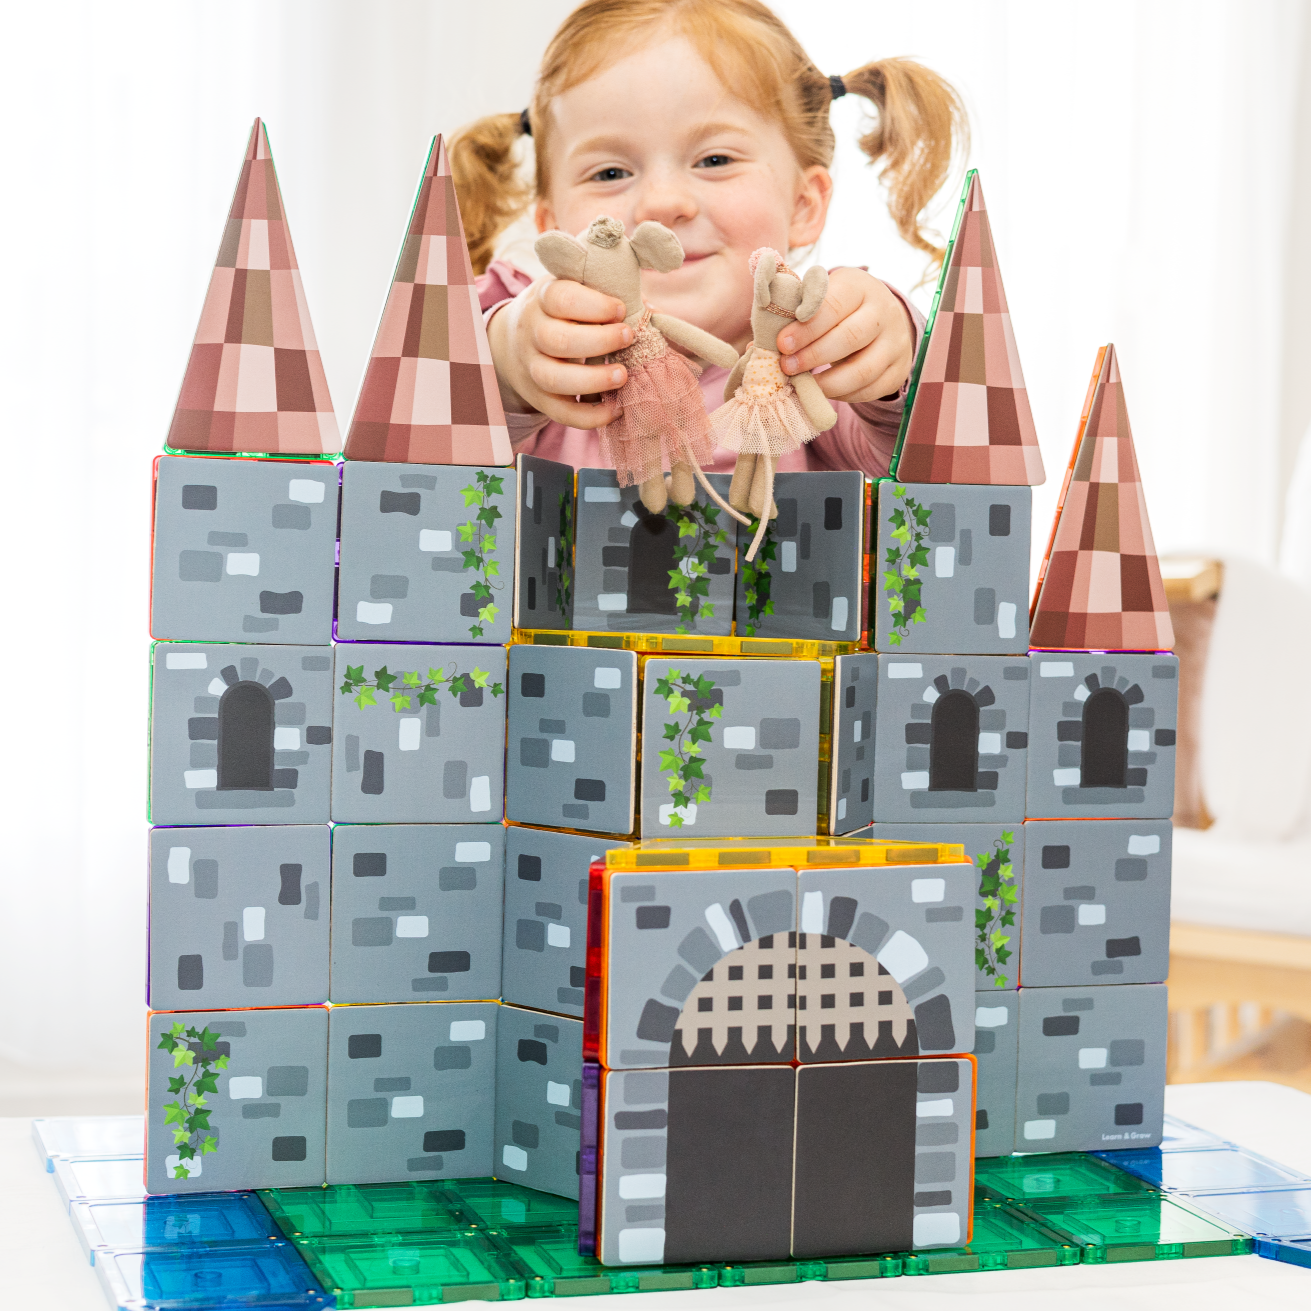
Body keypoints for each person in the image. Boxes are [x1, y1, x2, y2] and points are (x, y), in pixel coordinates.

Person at [450, 0, 968, 480]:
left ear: (803, 205)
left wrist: (892, 367)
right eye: (609, 173)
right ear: (554, 230)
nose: (661, 202)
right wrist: (507, 369)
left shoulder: (817, 352)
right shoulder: (529, 342)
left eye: (714, 160)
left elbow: (920, 462)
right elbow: (424, 434)